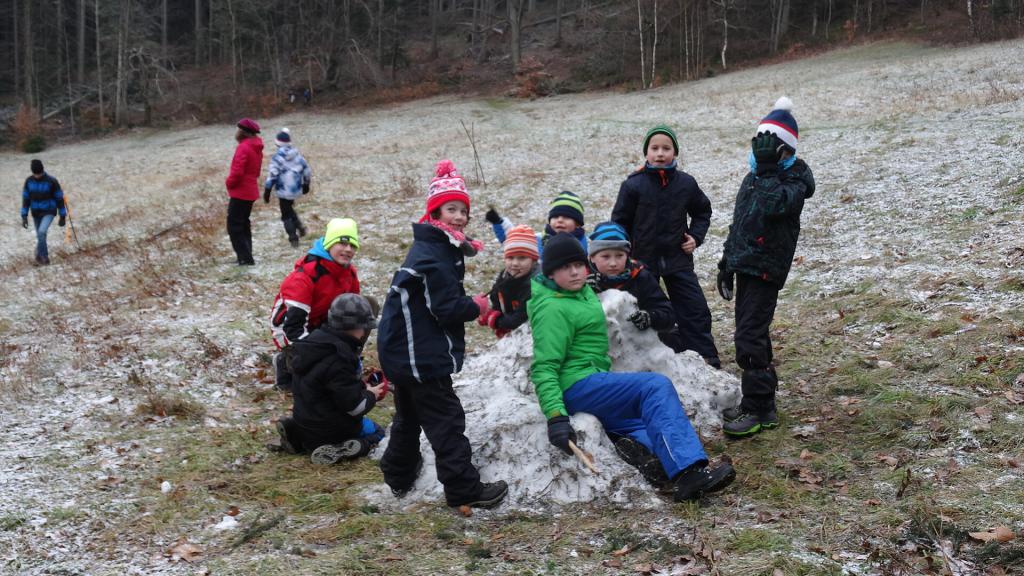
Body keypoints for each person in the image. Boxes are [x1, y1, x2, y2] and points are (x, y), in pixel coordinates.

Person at [528, 233, 735, 502]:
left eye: (578, 265)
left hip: (594, 380)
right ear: (550, 273)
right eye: (565, 267)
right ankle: (688, 473)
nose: (575, 272)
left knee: (640, 421)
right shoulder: (551, 308)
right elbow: (544, 367)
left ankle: (658, 465)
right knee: (654, 386)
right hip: (575, 385)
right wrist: (556, 417)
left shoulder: (579, 293)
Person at [377, 159, 508, 509]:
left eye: (464, 211)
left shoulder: (438, 246)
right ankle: (464, 489)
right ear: (435, 212)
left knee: (409, 415)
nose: (460, 217)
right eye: (451, 209)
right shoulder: (433, 255)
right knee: (446, 420)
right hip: (419, 353)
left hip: (403, 349)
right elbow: (446, 308)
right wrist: (477, 305)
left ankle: (398, 473)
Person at [717, 97, 816, 438]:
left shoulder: (794, 182)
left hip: (766, 269)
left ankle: (758, 407)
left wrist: (768, 170)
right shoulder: (754, 177)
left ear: (783, 151)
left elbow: (775, 206)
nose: (757, 154)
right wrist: (726, 263)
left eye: (766, 148)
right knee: (750, 333)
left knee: (749, 336)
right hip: (746, 265)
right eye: (756, 146)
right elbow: (740, 224)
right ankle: (763, 401)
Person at [611, 125, 720, 367]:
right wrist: (624, 254)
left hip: (677, 257)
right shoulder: (633, 185)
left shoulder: (686, 183)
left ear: (675, 152)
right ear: (646, 153)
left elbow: (702, 211)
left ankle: (705, 357)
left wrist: (695, 237)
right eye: (655, 148)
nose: (660, 153)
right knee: (645, 309)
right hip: (642, 260)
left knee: (694, 308)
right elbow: (619, 222)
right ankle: (650, 357)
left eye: (666, 148)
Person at [276, 293, 387, 464]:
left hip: (305, 421)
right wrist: (371, 394)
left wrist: (358, 385)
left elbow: (326, 386)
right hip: (332, 430)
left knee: (316, 416)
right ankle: (345, 447)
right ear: (357, 327)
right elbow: (354, 407)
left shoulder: (313, 343)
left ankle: (297, 434)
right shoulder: (341, 358)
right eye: (365, 327)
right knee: (378, 432)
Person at [270, 218, 362, 391]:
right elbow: (292, 327)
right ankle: (286, 363)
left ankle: (348, 361)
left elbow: (355, 310)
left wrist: (346, 346)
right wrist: (323, 347)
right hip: (290, 328)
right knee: (320, 366)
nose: (348, 249)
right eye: (342, 243)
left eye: (353, 245)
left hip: (321, 323)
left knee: (366, 307)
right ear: (329, 244)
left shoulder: (349, 272)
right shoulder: (305, 275)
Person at [586, 222, 676, 340]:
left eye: (619, 255)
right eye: (605, 256)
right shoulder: (581, 279)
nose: (613, 263)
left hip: (637, 344)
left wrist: (650, 318)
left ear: (627, 256)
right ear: (592, 257)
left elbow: (668, 314)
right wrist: (586, 293)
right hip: (593, 343)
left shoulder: (641, 277)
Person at [476, 224, 539, 338]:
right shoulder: (505, 275)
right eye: (510, 257)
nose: (515, 263)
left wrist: (496, 320)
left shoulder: (534, 285)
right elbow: (496, 296)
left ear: (533, 260)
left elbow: (521, 318)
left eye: (522, 258)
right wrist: (489, 310)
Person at [485, 190, 588, 258]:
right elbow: (515, 240)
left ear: (577, 224)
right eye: (555, 217)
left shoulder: (582, 244)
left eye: (566, 217)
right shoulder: (540, 239)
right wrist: (499, 222)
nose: (560, 220)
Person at [264, 128, 313, 248]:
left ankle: (293, 238)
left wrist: (267, 190)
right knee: (289, 208)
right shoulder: (298, 156)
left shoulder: (277, 158)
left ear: (277, 143)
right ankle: (301, 228)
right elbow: (307, 171)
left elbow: (273, 174)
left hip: (283, 190)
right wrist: (306, 184)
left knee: (285, 215)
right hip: (295, 189)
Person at [225, 118, 264, 265]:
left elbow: (237, 172)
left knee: (234, 226)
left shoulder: (243, 147)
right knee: (244, 224)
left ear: (242, 132)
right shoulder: (255, 147)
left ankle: (245, 258)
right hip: (250, 190)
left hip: (241, 191)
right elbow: (256, 171)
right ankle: (246, 255)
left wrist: (229, 182)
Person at [20, 159, 66, 266]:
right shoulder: (29, 181)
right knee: (41, 236)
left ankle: (44, 257)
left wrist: (62, 215)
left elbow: (59, 198)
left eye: (39, 174)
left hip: (49, 211)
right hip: (36, 213)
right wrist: (24, 215)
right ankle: (38, 255)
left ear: (42, 170)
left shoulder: (51, 181)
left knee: (41, 232)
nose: (37, 176)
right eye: (35, 174)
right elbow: (26, 199)